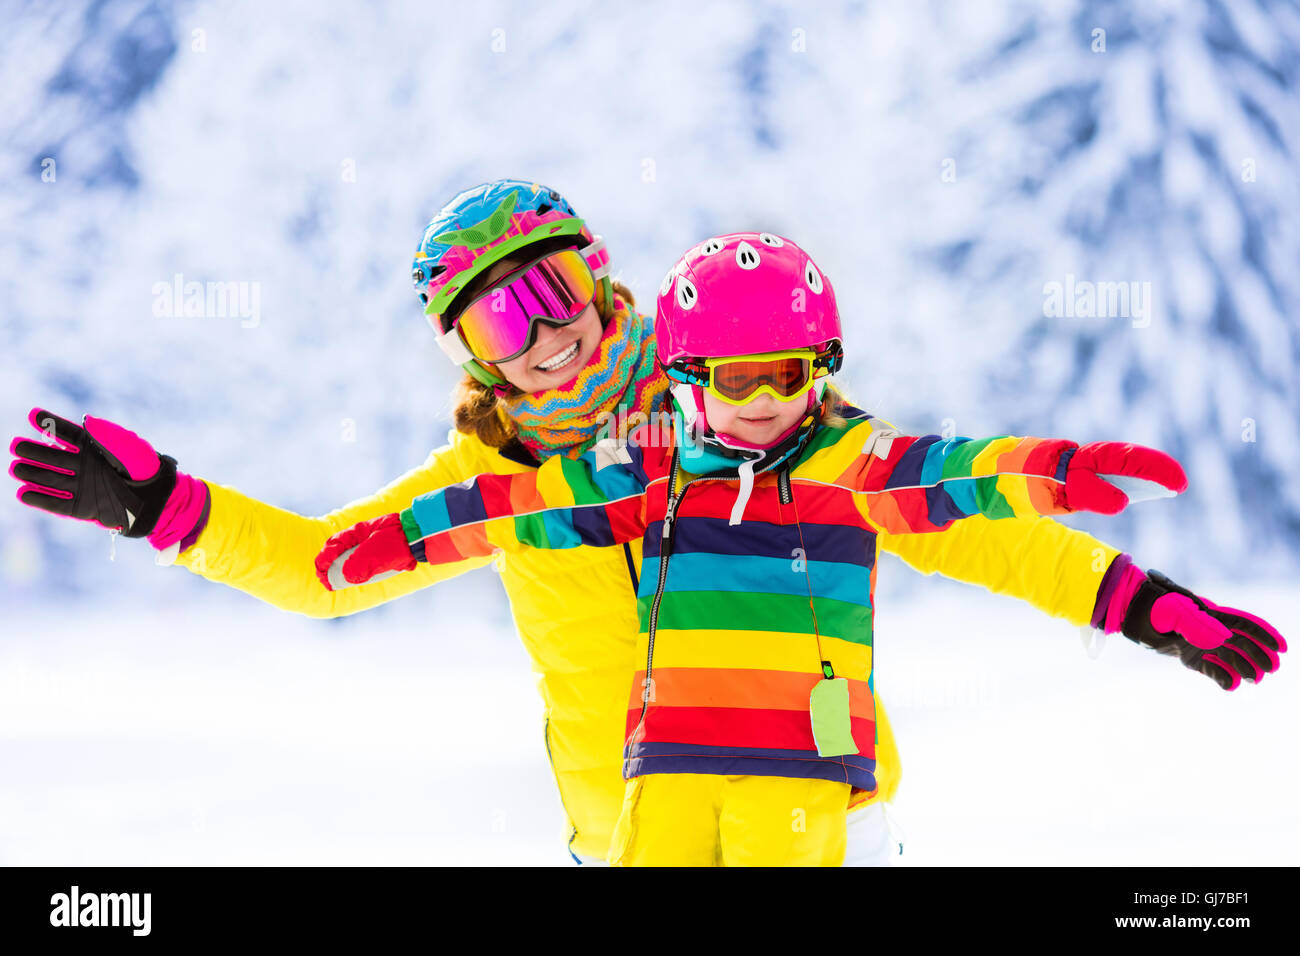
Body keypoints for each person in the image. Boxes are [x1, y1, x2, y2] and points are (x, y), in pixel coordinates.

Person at [8, 181, 1240, 865]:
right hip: (624, 835)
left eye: (552, 290)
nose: (546, 335)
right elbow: (327, 569)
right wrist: (169, 507)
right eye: (501, 321)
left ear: (595, 279)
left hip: (796, 813)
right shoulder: (486, 477)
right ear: (469, 354)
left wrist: (1133, 601)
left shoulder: (732, 402)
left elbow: (963, 518)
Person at [316, 232, 1284, 866]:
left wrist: (1135, 592)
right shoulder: (637, 469)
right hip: (631, 826)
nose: (761, 398)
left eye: (785, 372)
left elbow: (974, 499)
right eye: (731, 377)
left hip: (830, 807)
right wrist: (387, 539)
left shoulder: (842, 461)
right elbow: (507, 507)